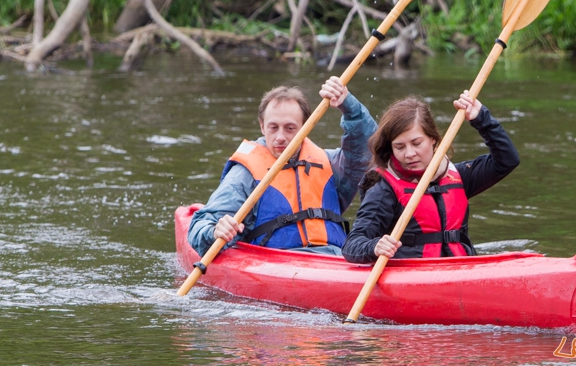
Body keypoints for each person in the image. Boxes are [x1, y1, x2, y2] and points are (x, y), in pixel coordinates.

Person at [188, 76, 377, 257]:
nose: (280, 137)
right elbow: (199, 227)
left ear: (306, 127)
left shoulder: (330, 163)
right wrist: (215, 231)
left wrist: (349, 107)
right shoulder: (244, 174)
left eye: (290, 128)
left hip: (334, 260)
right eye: (273, 127)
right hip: (277, 262)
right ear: (262, 127)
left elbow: (369, 147)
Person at [342, 92, 520, 263]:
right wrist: (374, 246)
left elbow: (507, 160)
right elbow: (352, 244)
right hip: (413, 276)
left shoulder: (458, 176)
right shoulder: (383, 188)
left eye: (416, 143)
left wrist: (482, 119)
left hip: (462, 270)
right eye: (400, 147)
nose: (409, 153)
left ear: (433, 139)